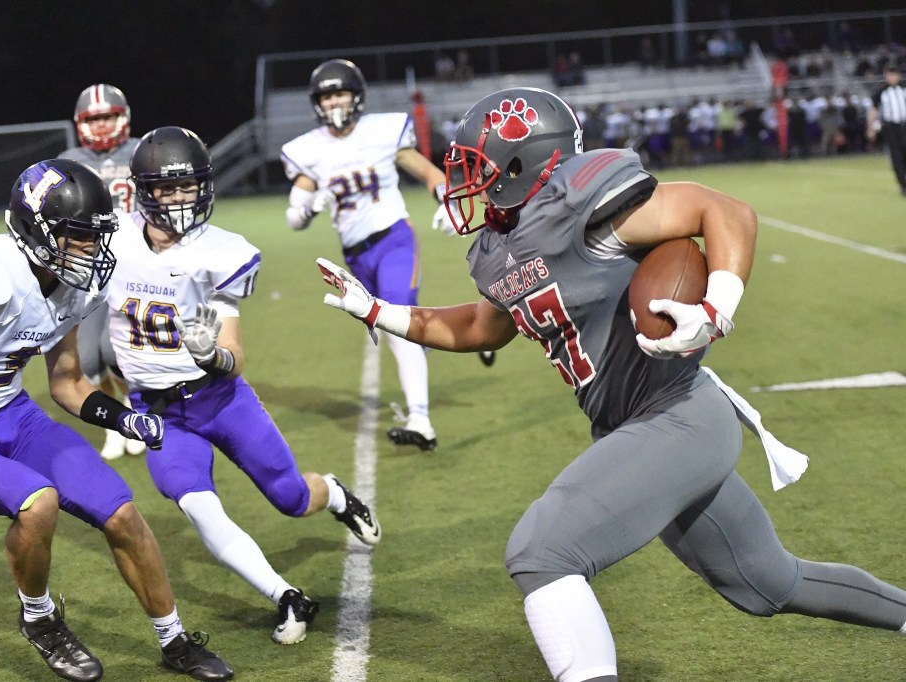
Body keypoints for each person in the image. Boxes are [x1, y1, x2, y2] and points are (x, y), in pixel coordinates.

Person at [316, 87, 906, 682]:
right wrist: (378, 312)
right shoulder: (500, 247)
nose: (471, 182)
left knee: (541, 552)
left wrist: (716, 306)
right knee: (768, 582)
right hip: (632, 430)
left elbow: (723, 212)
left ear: (524, 160)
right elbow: (479, 325)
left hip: (679, 415)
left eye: (481, 166)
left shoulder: (585, 202)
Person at [0, 158, 232, 682]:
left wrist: (123, 419)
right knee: (37, 504)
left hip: (13, 414)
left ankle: (174, 639)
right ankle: (40, 619)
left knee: (121, 513)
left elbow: (66, 382)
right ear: (35, 231)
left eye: (96, 236)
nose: (92, 249)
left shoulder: (78, 285)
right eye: (77, 236)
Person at [104, 126, 381, 645]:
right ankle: (286, 596)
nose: (183, 198)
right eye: (170, 188)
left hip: (218, 398)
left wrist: (213, 355)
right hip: (157, 411)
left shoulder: (220, 251)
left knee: (292, 498)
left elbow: (233, 359)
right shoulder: (114, 242)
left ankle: (337, 495)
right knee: (199, 506)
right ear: (145, 191)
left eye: (191, 186)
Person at [281, 58, 456, 451]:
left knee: (397, 315)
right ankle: (462, 338)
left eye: (340, 92)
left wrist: (446, 203)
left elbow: (431, 175)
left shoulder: (382, 132)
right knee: (401, 327)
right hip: (355, 257)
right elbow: (294, 217)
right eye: (326, 95)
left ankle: (421, 421)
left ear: (356, 96)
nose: (334, 102)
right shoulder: (309, 149)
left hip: (394, 237)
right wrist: (310, 206)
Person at [58, 83, 144, 460]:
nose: (103, 124)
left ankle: (135, 412)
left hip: (132, 267)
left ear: (123, 116)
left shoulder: (143, 150)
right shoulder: (69, 159)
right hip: (85, 272)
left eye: (108, 115)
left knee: (115, 352)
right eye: (95, 118)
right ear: (80, 123)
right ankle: (116, 420)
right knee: (88, 361)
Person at [867, 63, 906, 196]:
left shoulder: (904, 88)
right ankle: (903, 183)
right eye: (889, 75)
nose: (892, 77)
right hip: (891, 127)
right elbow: (873, 110)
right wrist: (871, 128)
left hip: (904, 125)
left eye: (894, 74)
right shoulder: (881, 91)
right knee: (896, 155)